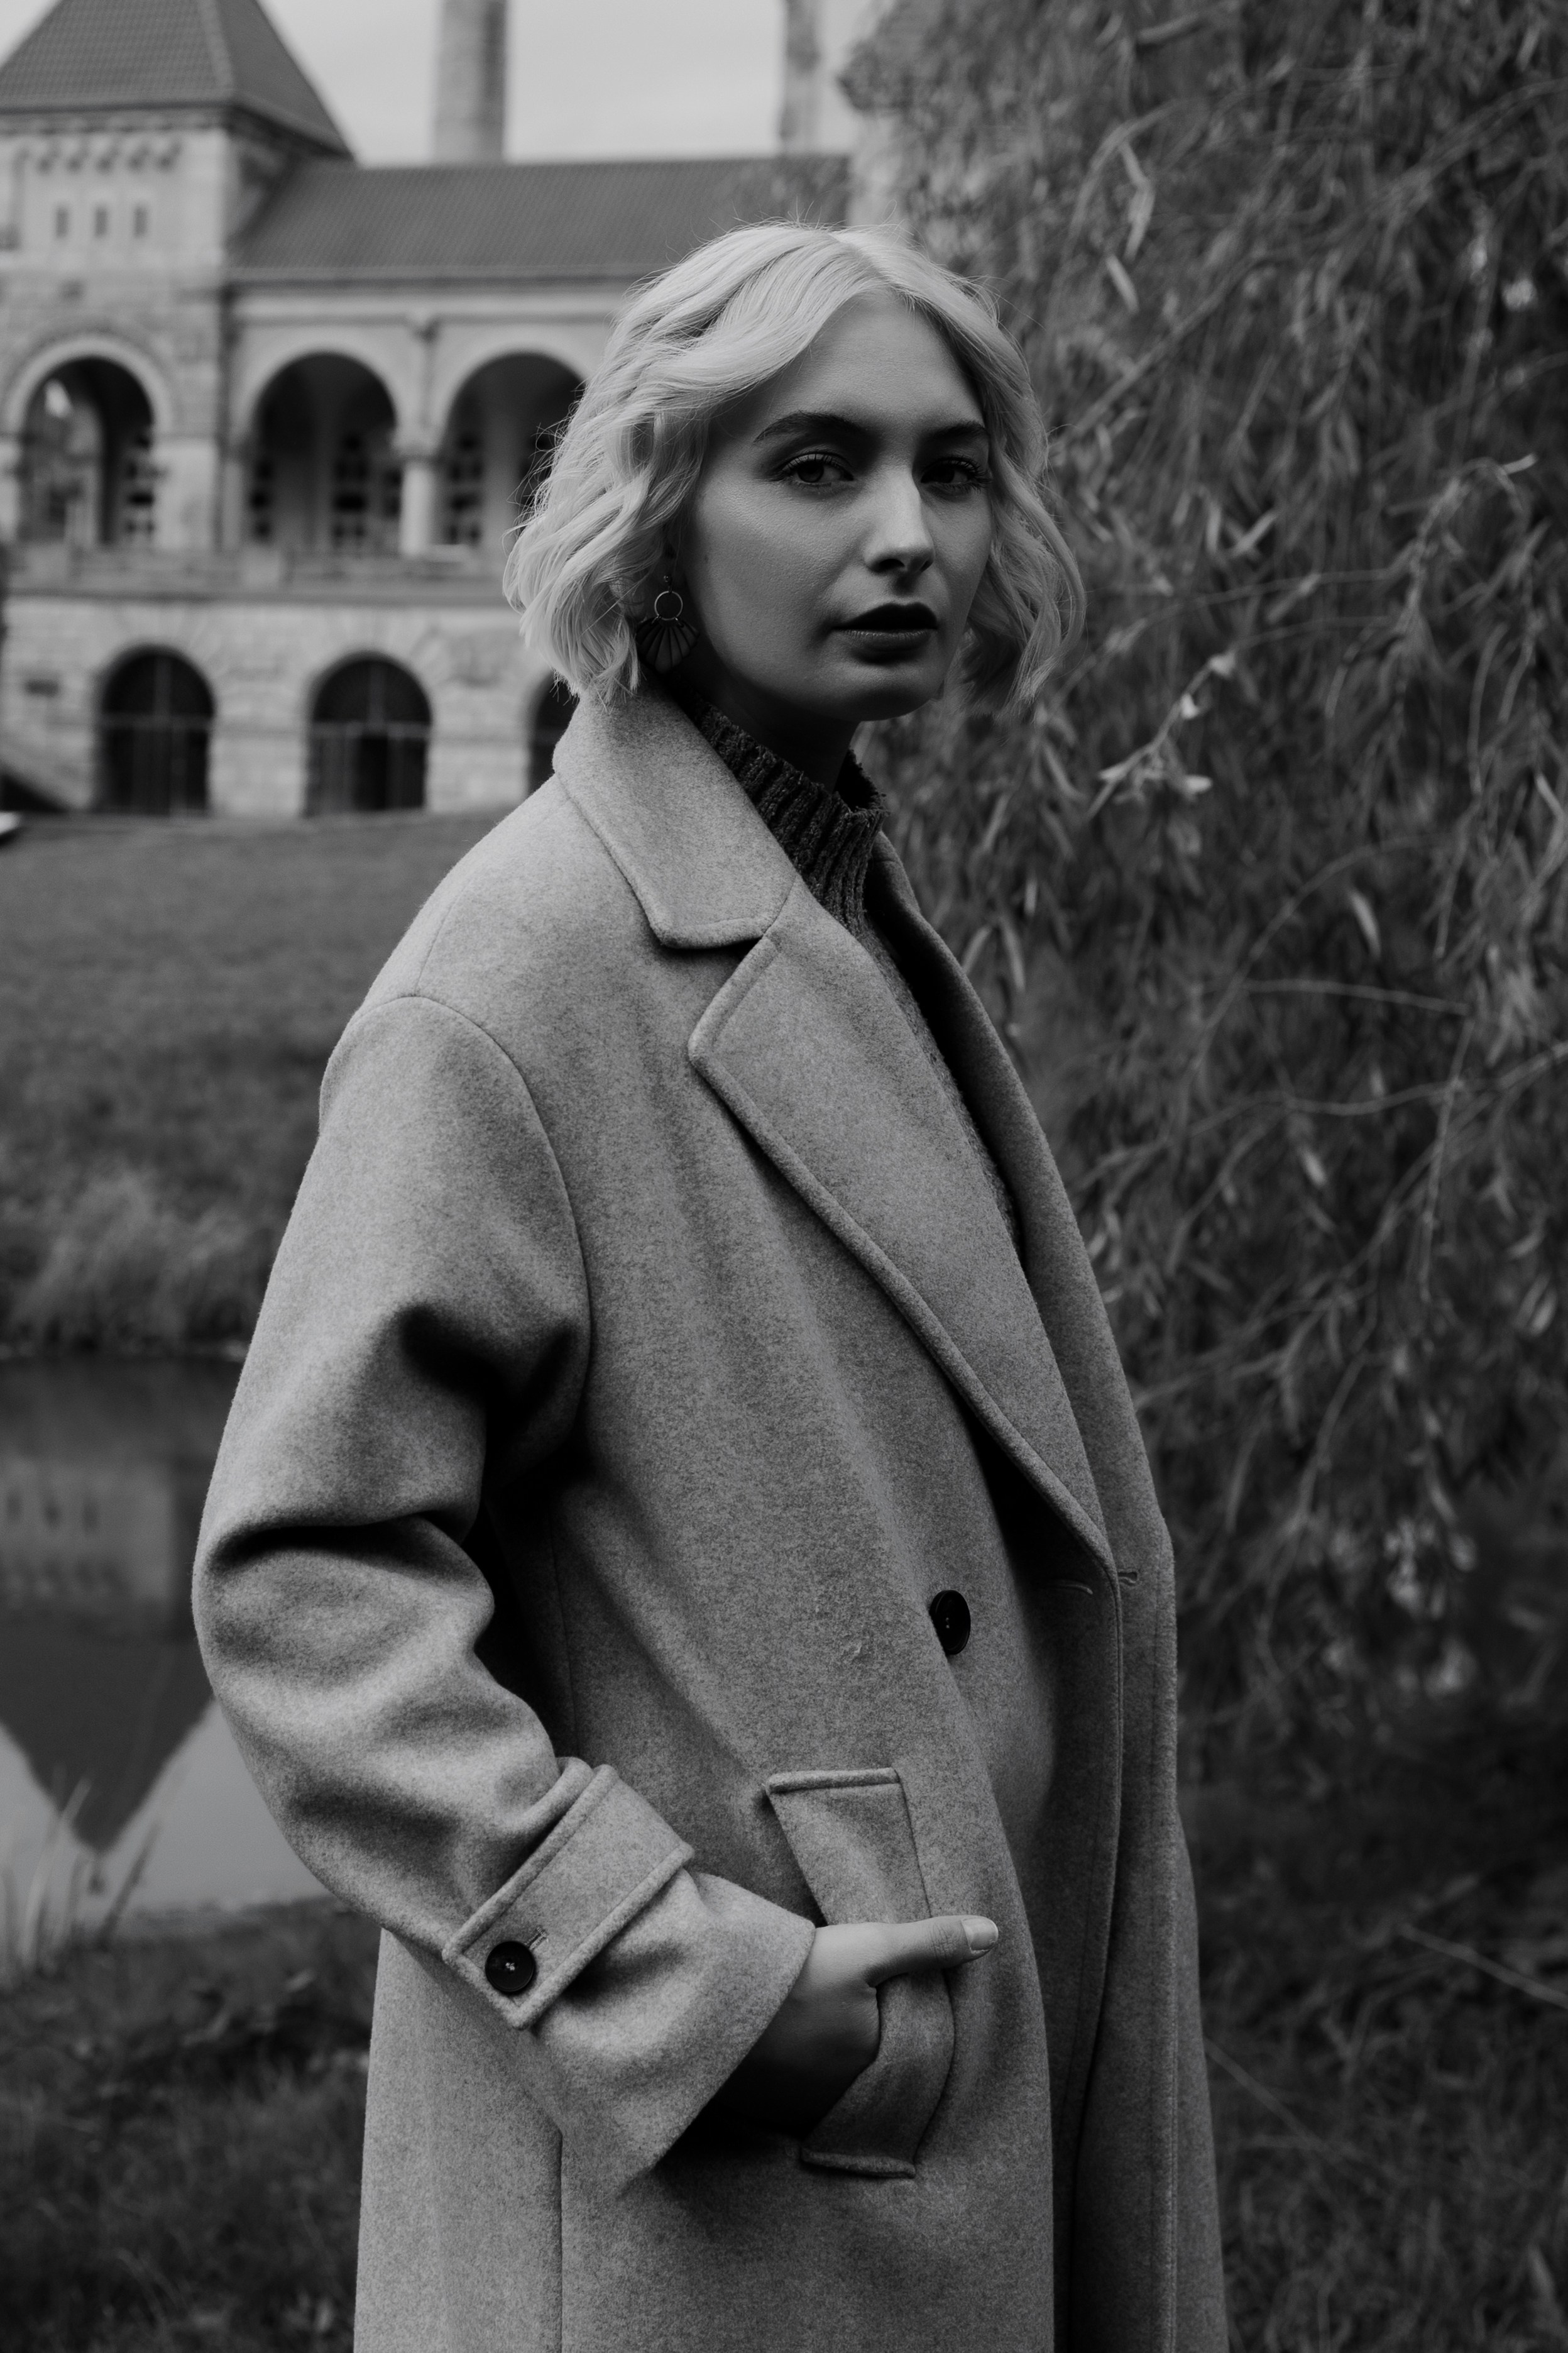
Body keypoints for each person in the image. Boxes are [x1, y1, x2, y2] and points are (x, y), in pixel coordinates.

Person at [195, 221, 1226, 2353]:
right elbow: (306, 1588)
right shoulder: (522, 975)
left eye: (949, 472)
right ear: (660, 517)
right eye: (818, 464)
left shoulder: (832, 907)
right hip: (731, 2181)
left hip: (923, 2100)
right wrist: (683, 1984)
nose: (906, 533)